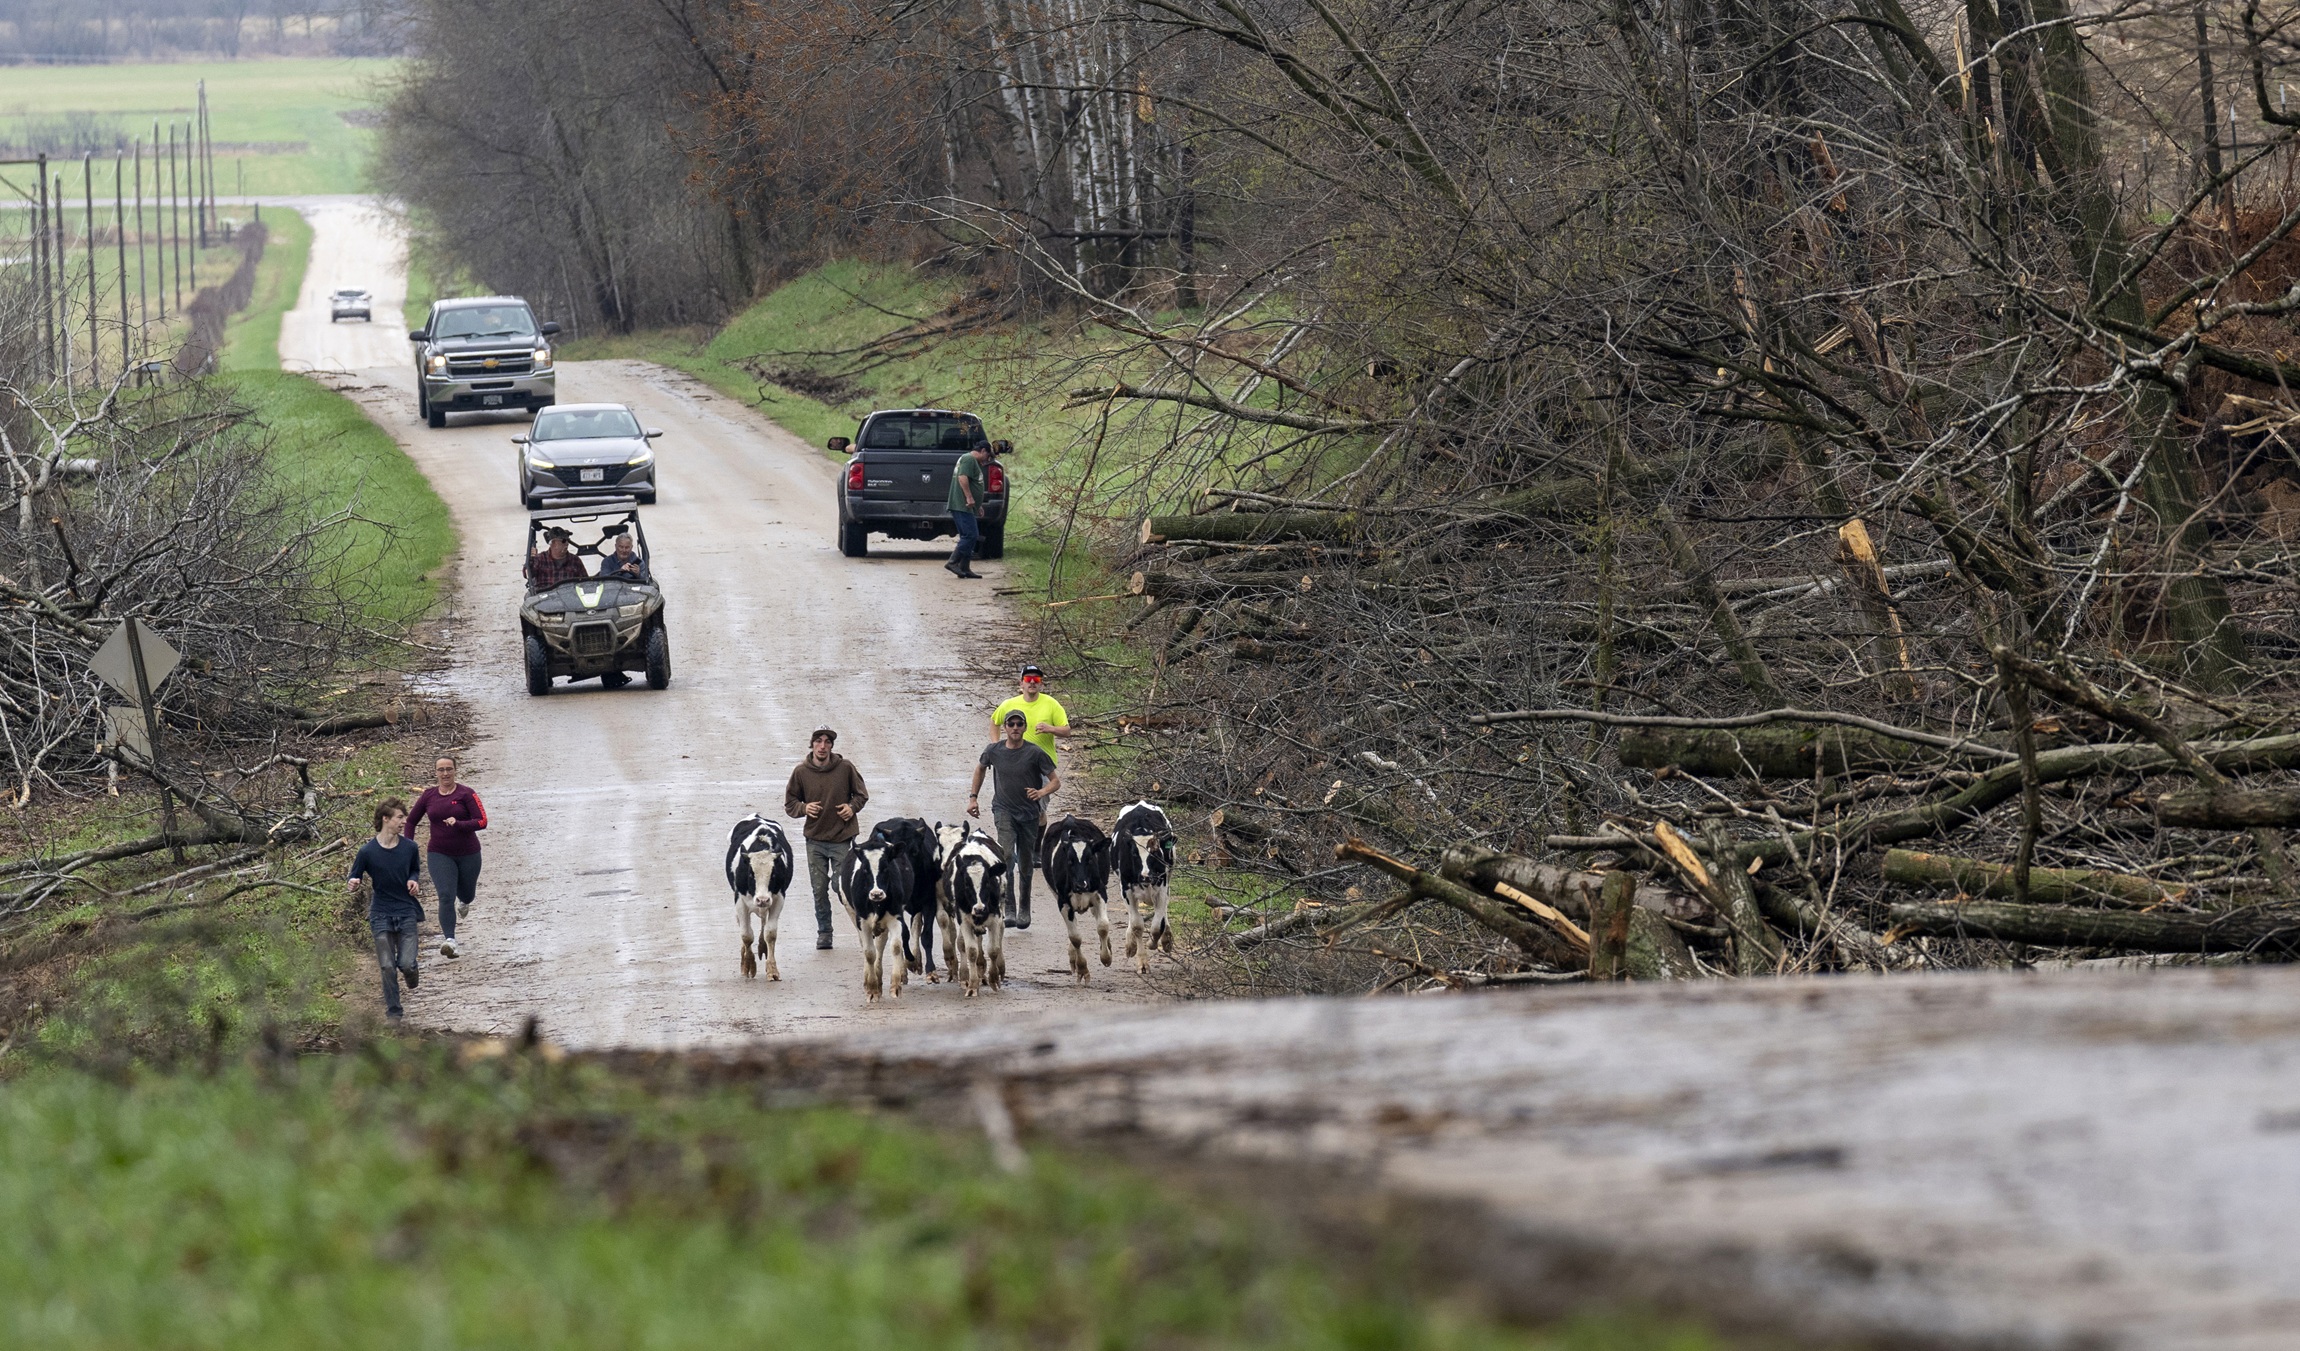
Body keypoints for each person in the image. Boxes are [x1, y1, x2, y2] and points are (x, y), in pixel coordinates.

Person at [968, 709, 1060, 929]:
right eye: (1011, 724)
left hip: (1029, 814)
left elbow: (1055, 781)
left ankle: (1024, 908)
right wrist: (973, 798)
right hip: (1003, 810)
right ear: (1005, 728)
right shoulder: (994, 750)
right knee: (1007, 856)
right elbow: (980, 769)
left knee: (1026, 863)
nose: (1015, 728)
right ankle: (1009, 907)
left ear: (1025, 727)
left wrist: (1041, 792)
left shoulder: (1035, 753)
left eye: (1019, 724)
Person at [784, 726, 870, 949]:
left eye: (827, 742)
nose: (822, 746)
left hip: (842, 838)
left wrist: (851, 808)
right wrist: (804, 808)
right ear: (812, 744)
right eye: (818, 741)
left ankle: (863, 926)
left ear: (832, 745)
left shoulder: (845, 768)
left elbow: (862, 795)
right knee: (819, 889)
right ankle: (825, 933)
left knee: (841, 886)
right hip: (815, 840)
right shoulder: (801, 772)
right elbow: (790, 803)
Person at [347, 798, 425, 1022]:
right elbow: (354, 875)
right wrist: (353, 882)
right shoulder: (367, 851)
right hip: (380, 913)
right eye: (400, 817)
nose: (404, 821)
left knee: (406, 964)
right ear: (385, 818)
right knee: (387, 966)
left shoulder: (410, 848)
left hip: (406, 911)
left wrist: (413, 880)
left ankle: (411, 973)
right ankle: (394, 1013)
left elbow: (415, 870)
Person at [411, 754, 487, 960]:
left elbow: (482, 821)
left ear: (455, 770)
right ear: (435, 772)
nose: (445, 773)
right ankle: (450, 941)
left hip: (469, 853)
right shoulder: (428, 796)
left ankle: (465, 900)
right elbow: (411, 821)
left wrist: (459, 824)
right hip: (439, 853)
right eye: (441, 770)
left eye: (449, 769)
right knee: (445, 895)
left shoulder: (466, 794)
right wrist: (408, 847)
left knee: (467, 893)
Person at [989, 663, 1070, 761]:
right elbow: (994, 722)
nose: (1032, 682)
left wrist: (1051, 729)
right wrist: (996, 745)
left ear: (1041, 684)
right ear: (1021, 683)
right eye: (1028, 679)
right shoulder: (1009, 704)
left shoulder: (1051, 703)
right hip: (1017, 761)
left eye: (1036, 679)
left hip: (1044, 763)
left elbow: (1067, 731)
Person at [944, 442, 989, 580]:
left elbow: (972, 482)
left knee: (967, 535)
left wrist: (978, 505)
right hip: (962, 505)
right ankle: (952, 562)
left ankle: (965, 567)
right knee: (971, 535)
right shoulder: (969, 459)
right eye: (988, 455)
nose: (987, 459)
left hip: (966, 505)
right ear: (983, 450)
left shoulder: (969, 460)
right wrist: (969, 497)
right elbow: (962, 478)